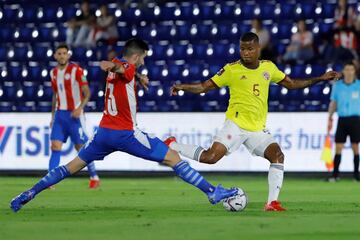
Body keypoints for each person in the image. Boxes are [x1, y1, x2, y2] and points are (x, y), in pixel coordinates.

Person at [10, 39, 238, 213]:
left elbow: (117, 68)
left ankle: (30, 192)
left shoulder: (123, 66)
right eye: (143, 58)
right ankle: (212, 192)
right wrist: (120, 69)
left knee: (71, 166)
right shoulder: (125, 68)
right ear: (137, 57)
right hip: (126, 133)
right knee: (173, 158)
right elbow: (121, 69)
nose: (144, 62)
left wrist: (134, 76)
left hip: (103, 133)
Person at [165, 32, 341, 211]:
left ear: (258, 49)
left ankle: (272, 203)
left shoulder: (268, 68)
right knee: (210, 158)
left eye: (249, 49)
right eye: (242, 49)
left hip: (257, 129)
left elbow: (292, 84)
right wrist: (183, 87)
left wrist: (320, 79)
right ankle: (173, 145)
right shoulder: (231, 70)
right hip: (235, 124)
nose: (245, 53)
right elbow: (204, 87)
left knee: (277, 156)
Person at [49, 43, 100, 189]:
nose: (62, 56)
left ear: (68, 55)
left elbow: (87, 92)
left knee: (81, 147)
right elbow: (55, 95)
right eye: (59, 53)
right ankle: (50, 179)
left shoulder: (76, 70)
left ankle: (94, 176)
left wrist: (79, 108)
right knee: (55, 146)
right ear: (55, 56)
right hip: (60, 114)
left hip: (74, 115)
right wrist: (52, 116)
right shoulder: (53, 73)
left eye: (64, 53)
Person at [327, 62, 360, 182]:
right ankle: (335, 175)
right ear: (344, 72)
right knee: (338, 147)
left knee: (356, 147)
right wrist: (330, 117)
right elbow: (333, 103)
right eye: (347, 69)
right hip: (342, 119)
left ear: (354, 71)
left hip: (355, 120)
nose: (349, 72)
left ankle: (356, 176)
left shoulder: (359, 85)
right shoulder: (337, 86)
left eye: (351, 69)